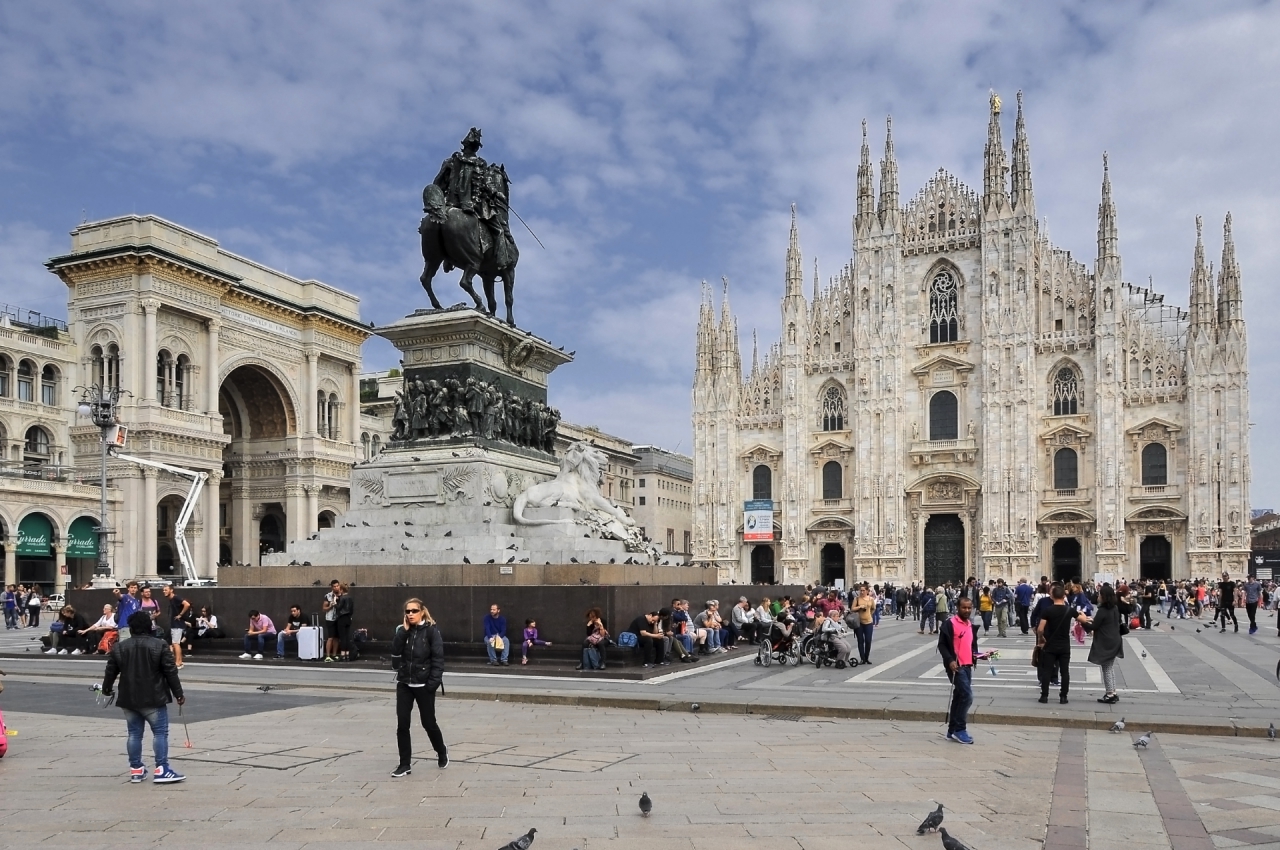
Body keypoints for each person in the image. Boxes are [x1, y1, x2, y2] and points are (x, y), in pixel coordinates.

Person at [101, 610, 186, 784]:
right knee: (160, 733)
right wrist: (179, 693)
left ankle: (136, 770)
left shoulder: (120, 647)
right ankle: (162, 768)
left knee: (134, 734)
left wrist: (106, 689)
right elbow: (170, 671)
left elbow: (110, 671)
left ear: (131, 628)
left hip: (128, 698)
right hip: (153, 697)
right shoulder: (159, 644)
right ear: (149, 626)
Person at [389, 598, 447, 777]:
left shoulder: (431, 631)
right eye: (407, 611)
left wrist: (432, 684)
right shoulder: (402, 630)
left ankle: (441, 750)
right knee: (402, 724)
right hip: (405, 683)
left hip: (424, 685)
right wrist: (403, 633)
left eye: (414, 611)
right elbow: (395, 652)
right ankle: (404, 764)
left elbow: (438, 659)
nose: (410, 614)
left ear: (422, 611)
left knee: (428, 723)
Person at [938, 596, 990, 745]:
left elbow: (971, 648)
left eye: (969, 608)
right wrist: (950, 661)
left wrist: (981, 656)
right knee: (967, 696)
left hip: (967, 666)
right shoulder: (950, 624)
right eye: (964, 607)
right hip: (956, 667)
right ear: (957, 608)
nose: (967, 610)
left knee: (959, 696)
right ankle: (960, 729)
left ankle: (951, 730)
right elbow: (942, 645)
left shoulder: (970, 625)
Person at [1036, 585, 1088, 704]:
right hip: (1064, 645)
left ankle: (1044, 696)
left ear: (1052, 596)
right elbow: (1084, 620)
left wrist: (1041, 638)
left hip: (1050, 645)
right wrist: (1082, 614)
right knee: (1064, 672)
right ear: (1064, 596)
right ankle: (1063, 696)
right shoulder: (1069, 610)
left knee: (1047, 670)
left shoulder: (1047, 610)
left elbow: (1040, 629)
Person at [1080, 583, 1126, 704]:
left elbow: (1094, 626)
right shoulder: (1115, 608)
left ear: (1104, 596)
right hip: (1115, 639)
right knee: (1109, 667)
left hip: (1106, 642)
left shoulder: (1102, 610)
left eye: (1100, 594)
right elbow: (1105, 621)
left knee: (1106, 668)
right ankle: (1113, 692)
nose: (1098, 596)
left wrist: (1083, 621)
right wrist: (1090, 619)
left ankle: (1110, 694)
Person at [160, 585, 191, 669]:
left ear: (171, 590)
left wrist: (180, 615)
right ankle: (179, 661)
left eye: (166, 590)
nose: (164, 592)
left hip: (177, 624)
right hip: (176, 624)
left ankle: (178, 662)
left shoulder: (176, 598)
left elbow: (187, 604)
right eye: (163, 590)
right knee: (176, 643)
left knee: (175, 643)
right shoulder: (172, 599)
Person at [850, 584, 876, 665]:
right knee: (860, 641)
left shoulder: (871, 599)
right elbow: (852, 609)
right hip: (859, 623)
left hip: (868, 622)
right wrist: (859, 607)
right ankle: (862, 658)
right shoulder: (856, 599)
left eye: (863, 590)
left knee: (868, 640)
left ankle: (867, 657)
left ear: (867, 591)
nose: (861, 592)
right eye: (860, 590)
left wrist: (869, 615)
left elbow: (873, 608)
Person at [333, 583, 355, 662]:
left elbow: (338, 608)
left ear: (341, 590)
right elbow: (351, 610)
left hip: (341, 618)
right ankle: (347, 655)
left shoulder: (342, 598)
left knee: (342, 637)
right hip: (348, 618)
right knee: (347, 637)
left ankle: (343, 655)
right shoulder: (350, 598)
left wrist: (335, 602)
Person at [321, 579, 341, 662]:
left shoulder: (342, 595)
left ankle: (334, 654)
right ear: (331, 587)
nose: (336, 588)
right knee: (330, 637)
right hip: (330, 618)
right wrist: (330, 606)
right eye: (334, 586)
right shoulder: (328, 596)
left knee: (336, 638)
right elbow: (324, 608)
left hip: (339, 618)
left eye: (337, 586)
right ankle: (328, 655)